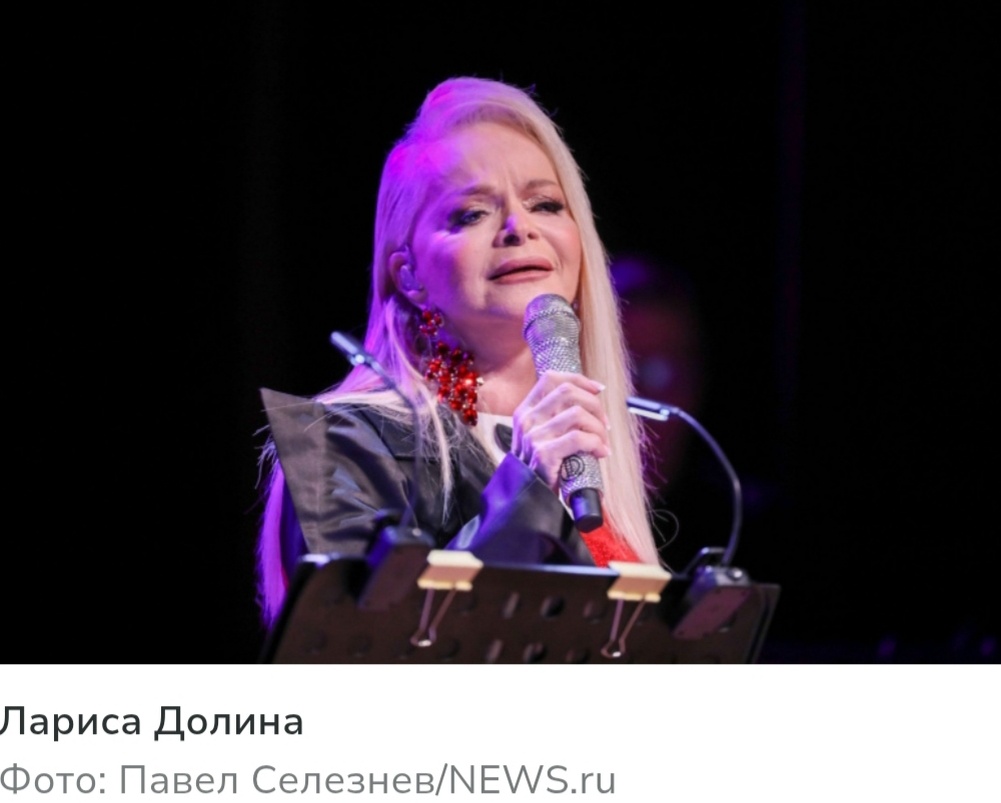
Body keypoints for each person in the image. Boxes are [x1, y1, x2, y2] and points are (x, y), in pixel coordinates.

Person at [255, 76, 662, 627]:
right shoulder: (346, 445)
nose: (519, 228)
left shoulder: (592, 455)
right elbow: (375, 646)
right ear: (410, 275)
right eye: (471, 213)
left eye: (545, 203)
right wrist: (524, 487)